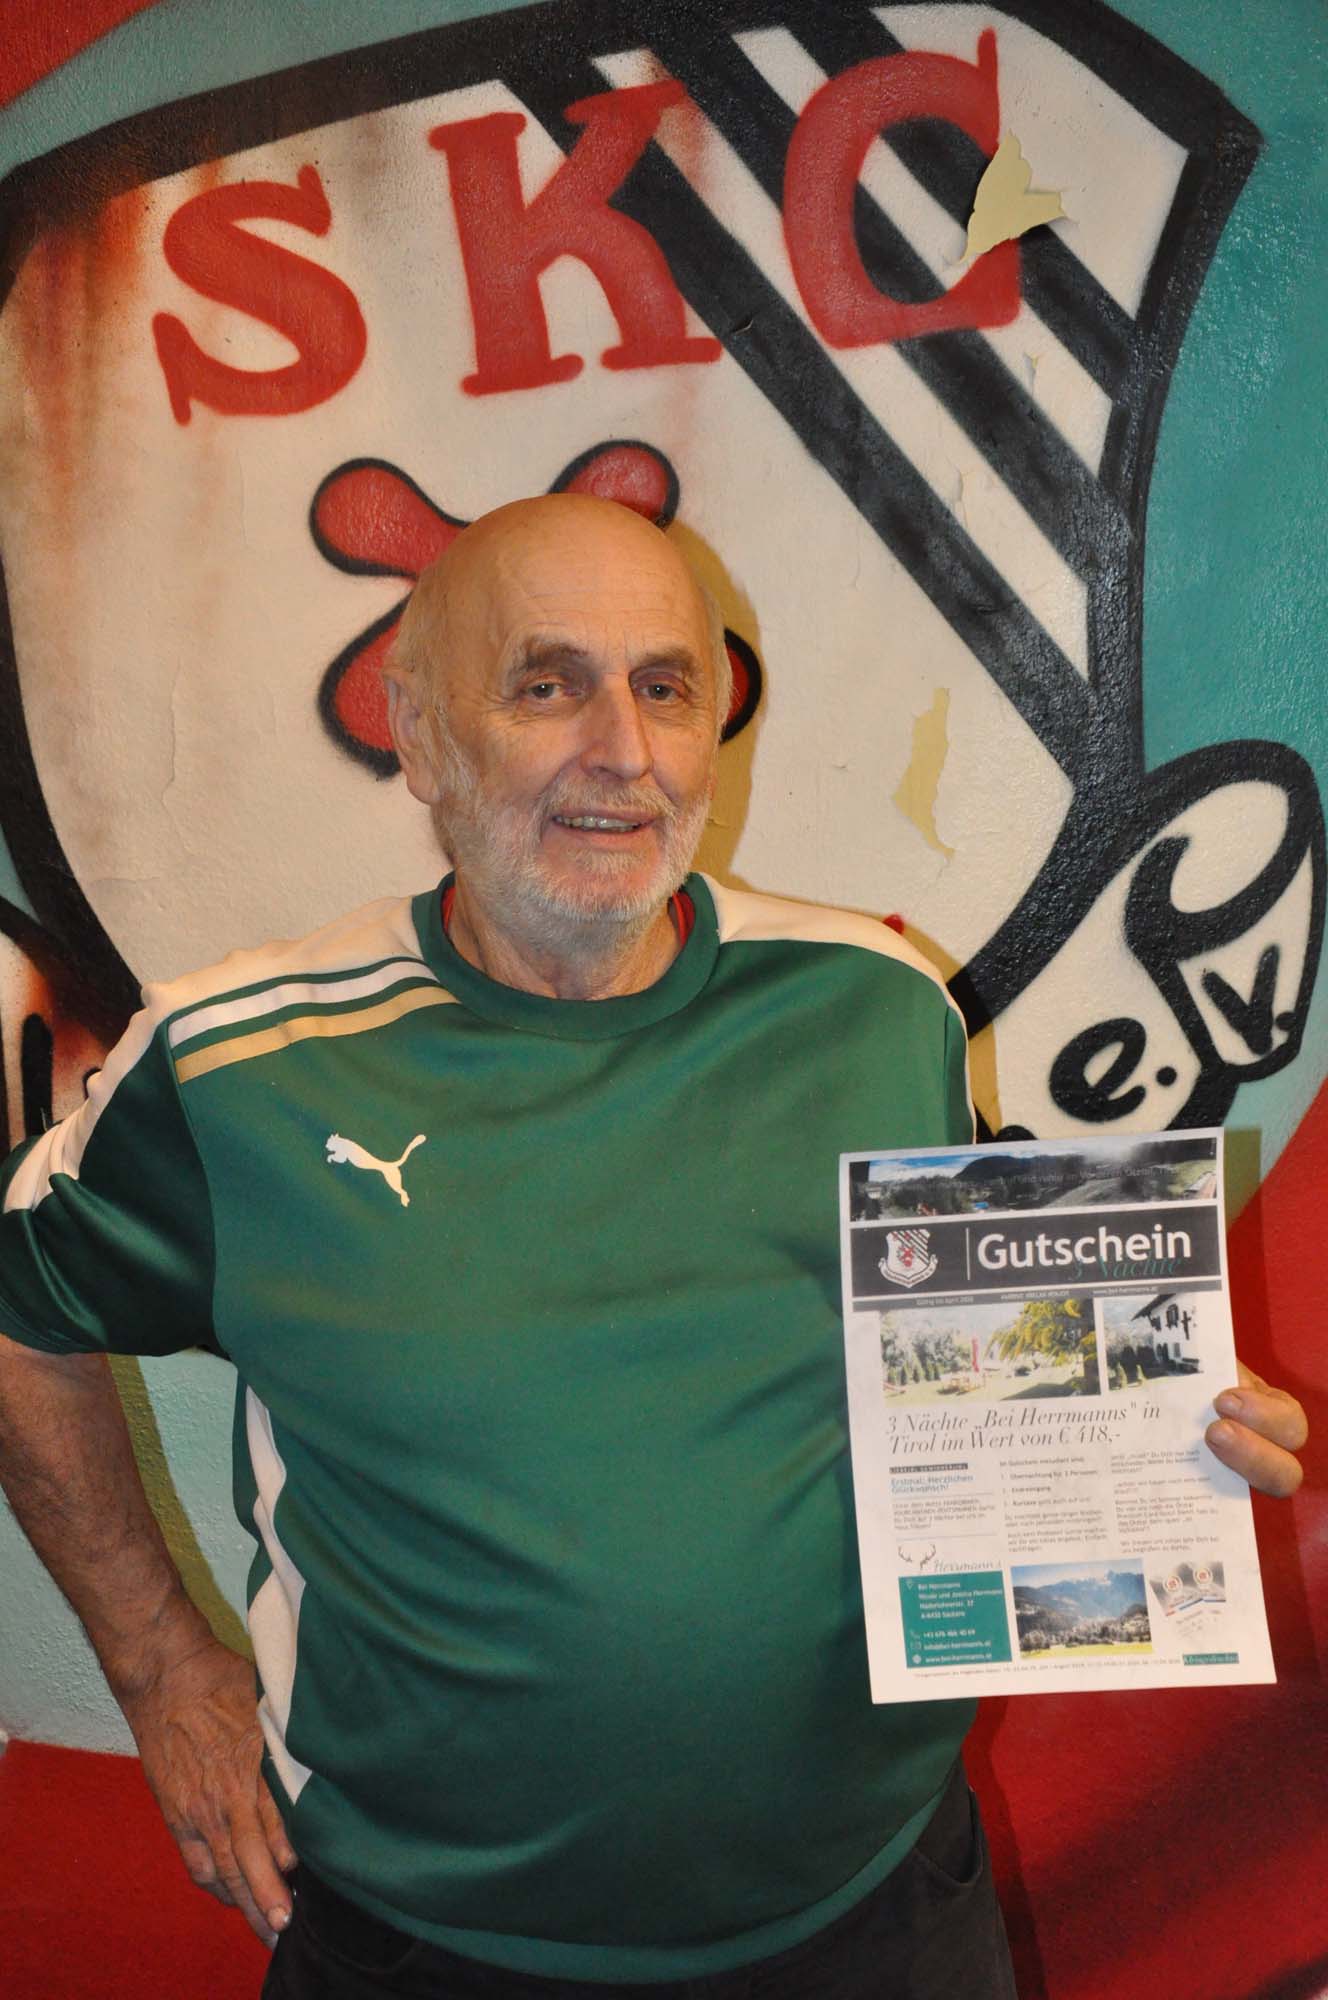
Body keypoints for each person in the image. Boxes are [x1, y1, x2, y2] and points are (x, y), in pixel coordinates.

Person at [0, 497, 1307, 1999]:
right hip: (425, 1951)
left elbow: (982, 1377)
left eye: (667, 687)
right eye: (546, 684)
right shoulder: (237, 1065)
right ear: (420, 734)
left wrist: (1173, 1426)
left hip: (879, 1917)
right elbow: (22, 1318)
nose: (622, 749)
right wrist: (160, 1665)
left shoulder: (878, 1005)